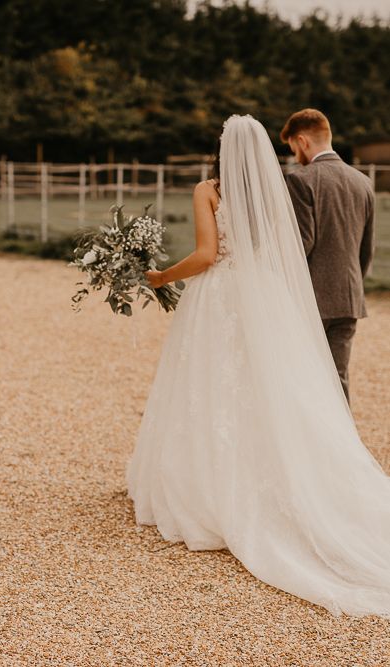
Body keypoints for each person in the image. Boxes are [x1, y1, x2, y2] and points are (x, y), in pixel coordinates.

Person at [126, 114, 390, 619]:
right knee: (282, 387)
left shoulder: (210, 189)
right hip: (266, 295)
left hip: (222, 296)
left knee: (210, 386)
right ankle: (298, 471)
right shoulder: (276, 191)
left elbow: (206, 255)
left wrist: (161, 276)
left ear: (223, 149)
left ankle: (212, 485)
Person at [280, 109, 375, 404]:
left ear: (302, 140)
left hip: (311, 299)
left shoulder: (301, 180)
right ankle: (342, 445)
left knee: (302, 378)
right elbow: (366, 249)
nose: (295, 156)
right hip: (348, 298)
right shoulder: (362, 182)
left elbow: (301, 243)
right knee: (338, 378)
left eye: (293, 148)